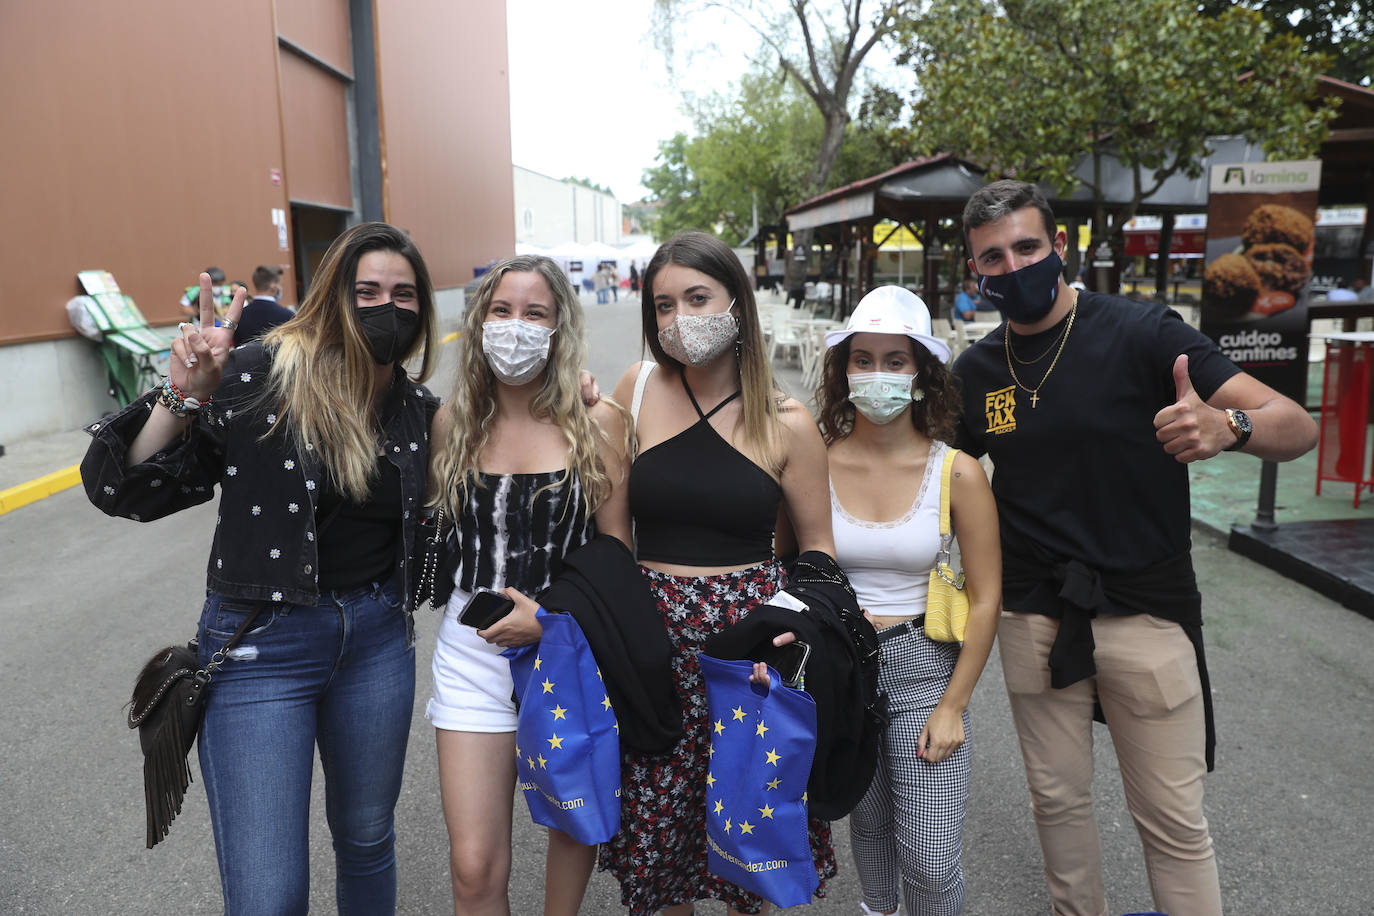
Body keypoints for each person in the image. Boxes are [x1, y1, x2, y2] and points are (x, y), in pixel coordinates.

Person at [952, 180, 1317, 916]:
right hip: (1033, 616)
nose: (1013, 265)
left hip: (1144, 612)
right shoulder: (978, 374)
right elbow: (933, 479)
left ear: (1060, 248)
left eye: (1027, 246)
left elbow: (1295, 424)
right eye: (992, 257)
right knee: (1056, 805)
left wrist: (1228, 430)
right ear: (975, 276)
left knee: (1174, 824)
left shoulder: (1146, 334)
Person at [83, 222, 442, 914]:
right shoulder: (258, 376)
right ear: (333, 297)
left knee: (367, 839)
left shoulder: (417, 409)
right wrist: (182, 395)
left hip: (375, 642)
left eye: (402, 296)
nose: (384, 309)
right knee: (268, 892)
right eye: (366, 291)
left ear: (422, 310)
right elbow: (126, 489)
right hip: (261, 650)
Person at [599, 231, 838, 915]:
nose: (680, 320)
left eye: (697, 298)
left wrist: (791, 637)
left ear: (738, 302)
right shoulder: (635, 390)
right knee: (661, 839)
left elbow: (817, 553)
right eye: (664, 305)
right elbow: (613, 534)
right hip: (650, 640)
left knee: (749, 828)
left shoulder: (787, 419)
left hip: (749, 649)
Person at [425, 254, 632, 916]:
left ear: (560, 326)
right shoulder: (453, 421)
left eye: (534, 313)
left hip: (566, 647)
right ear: (480, 322)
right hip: (472, 652)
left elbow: (615, 556)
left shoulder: (596, 423)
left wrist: (552, 621)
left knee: (570, 827)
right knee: (474, 868)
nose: (515, 327)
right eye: (502, 311)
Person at [816, 286, 1001, 916]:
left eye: (895, 361)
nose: (876, 375)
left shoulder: (957, 472)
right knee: (869, 839)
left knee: (929, 851)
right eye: (861, 359)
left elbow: (986, 595)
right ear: (843, 370)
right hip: (845, 673)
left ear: (923, 373)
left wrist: (955, 705)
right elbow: (793, 570)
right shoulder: (813, 460)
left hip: (925, 670)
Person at [233, 264, 295, 347]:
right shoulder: (288, 316)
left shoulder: (240, 315)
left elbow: (237, 347)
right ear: (273, 287)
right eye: (280, 284)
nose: (280, 288)